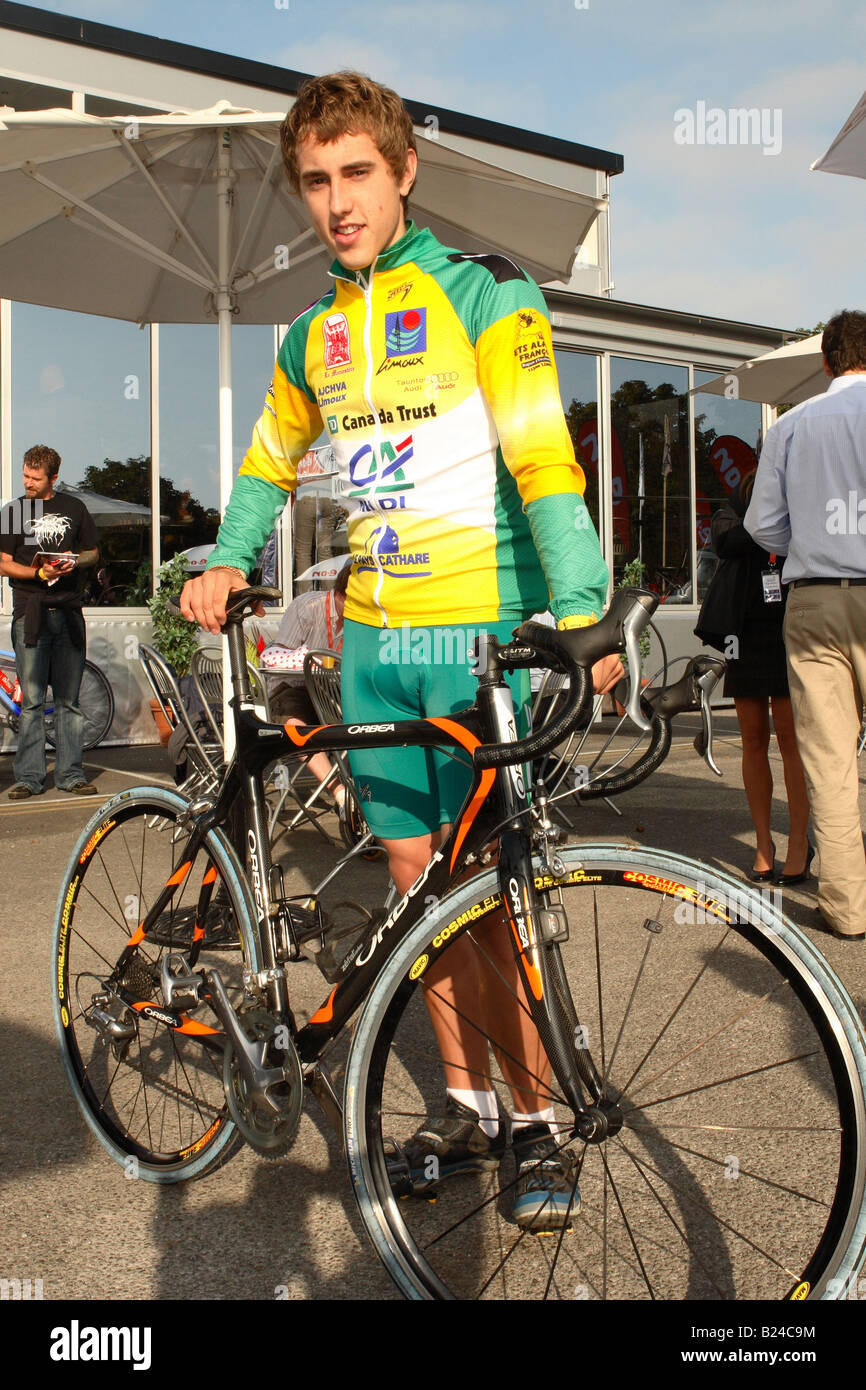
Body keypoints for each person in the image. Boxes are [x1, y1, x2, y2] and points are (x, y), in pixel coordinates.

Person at [180, 71, 621, 1225]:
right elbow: (269, 464)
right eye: (316, 181)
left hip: (476, 638)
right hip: (376, 641)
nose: (337, 202)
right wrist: (224, 557)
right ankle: (465, 1107)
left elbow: (542, 460)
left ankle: (533, 1120)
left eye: (357, 174)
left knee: (492, 897)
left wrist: (578, 610)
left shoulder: (484, 297)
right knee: (420, 896)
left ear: (403, 171)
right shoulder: (310, 336)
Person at [745, 310, 866, 942]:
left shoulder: (792, 426)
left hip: (817, 596)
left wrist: (812, 539)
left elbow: (761, 526)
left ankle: (847, 910)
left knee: (830, 757)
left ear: (825, 361)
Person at [707, 472, 811, 883]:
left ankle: (800, 841)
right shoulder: (737, 509)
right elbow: (726, 543)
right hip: (744, 631)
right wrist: (764, 516)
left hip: (789, 629)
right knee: (752, 735)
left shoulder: (801, 506)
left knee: (789, 738)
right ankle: (764, 842)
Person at [0, 446, 100, 798]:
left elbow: (93, 552)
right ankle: (28, 777)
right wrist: (37, 572)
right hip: (31, 613)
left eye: (35, 478)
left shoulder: (74, 508)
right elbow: (2, 562)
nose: (27, 482)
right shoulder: (14, 511)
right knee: (31, 701)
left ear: (53, 477)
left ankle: (71, 774)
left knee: (69, 701)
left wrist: (75, 560)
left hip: (69, 613)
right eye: (25, 475)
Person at [262, 558, 349, 807]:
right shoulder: (308, 607)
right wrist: (308, 658)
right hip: (292, 687)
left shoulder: (364, 619)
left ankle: (364, 790)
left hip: (332, 689)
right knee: (295, 724)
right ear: (342, 595)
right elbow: (273, 659)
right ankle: (340, 792)